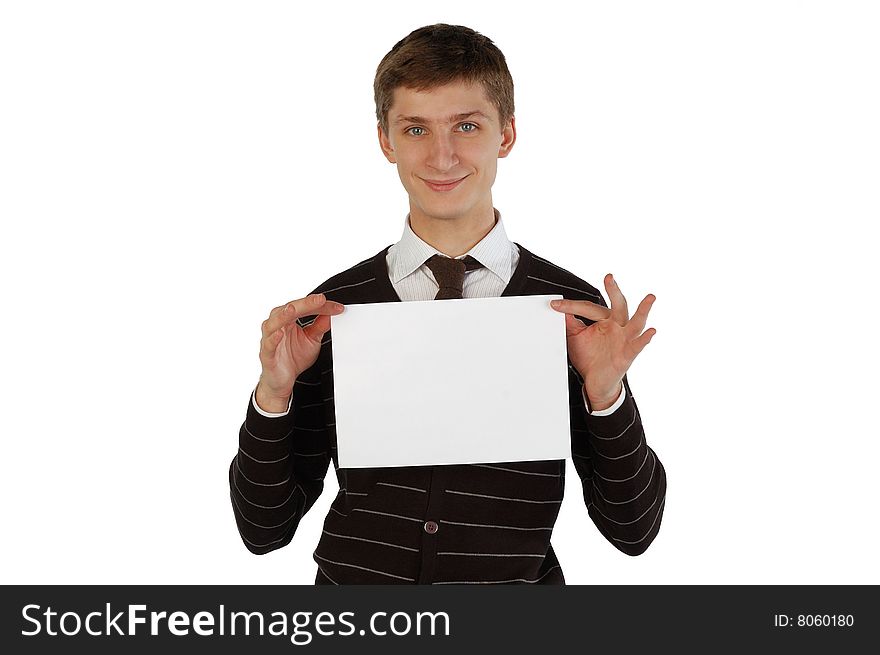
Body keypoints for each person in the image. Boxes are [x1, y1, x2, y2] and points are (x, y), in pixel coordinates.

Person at [229, 23, 666, 585]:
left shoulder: (570, 313)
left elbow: (633, 531)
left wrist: (605, 395)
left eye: (467, 125)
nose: (442, 156)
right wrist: (274, 392)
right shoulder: (333, 312)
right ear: (385, 140)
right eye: (415, 128)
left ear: (506, 134)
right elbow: (264, 530)